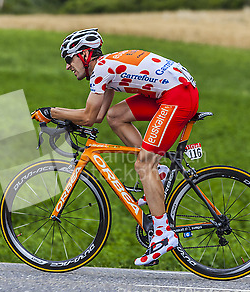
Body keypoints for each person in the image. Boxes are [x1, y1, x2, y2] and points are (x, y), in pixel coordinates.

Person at [31, 28, 199, 266]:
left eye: (69, 59)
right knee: (115, 116)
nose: (68, 66)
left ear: (85, 55)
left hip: (178, 97)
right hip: (171, 92)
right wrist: (66, 119)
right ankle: (158, 172)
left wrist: (52, 112)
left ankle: (163, 235)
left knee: (144, 163)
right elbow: (98, 116)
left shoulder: (101, 69)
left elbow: (88, 117)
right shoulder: (107, 69)